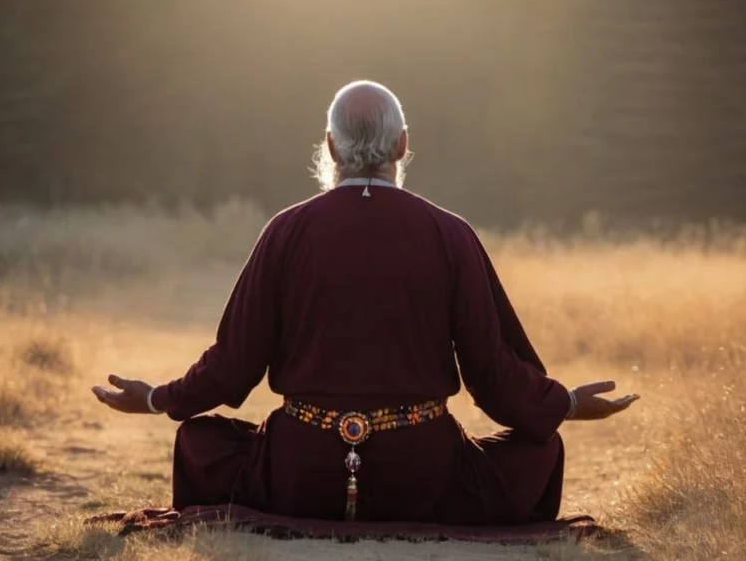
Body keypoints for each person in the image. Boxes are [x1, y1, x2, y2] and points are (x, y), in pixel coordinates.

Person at [91, 80, 639, 525]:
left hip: (301, 472)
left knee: (198, 440)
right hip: (423, 474)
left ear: (330, 147)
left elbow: (232, 368)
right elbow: (492, 373)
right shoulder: (450, 234)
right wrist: (562, 404)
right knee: (539, 452)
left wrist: (158, 398)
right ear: (402, 144)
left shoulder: (286, 232)